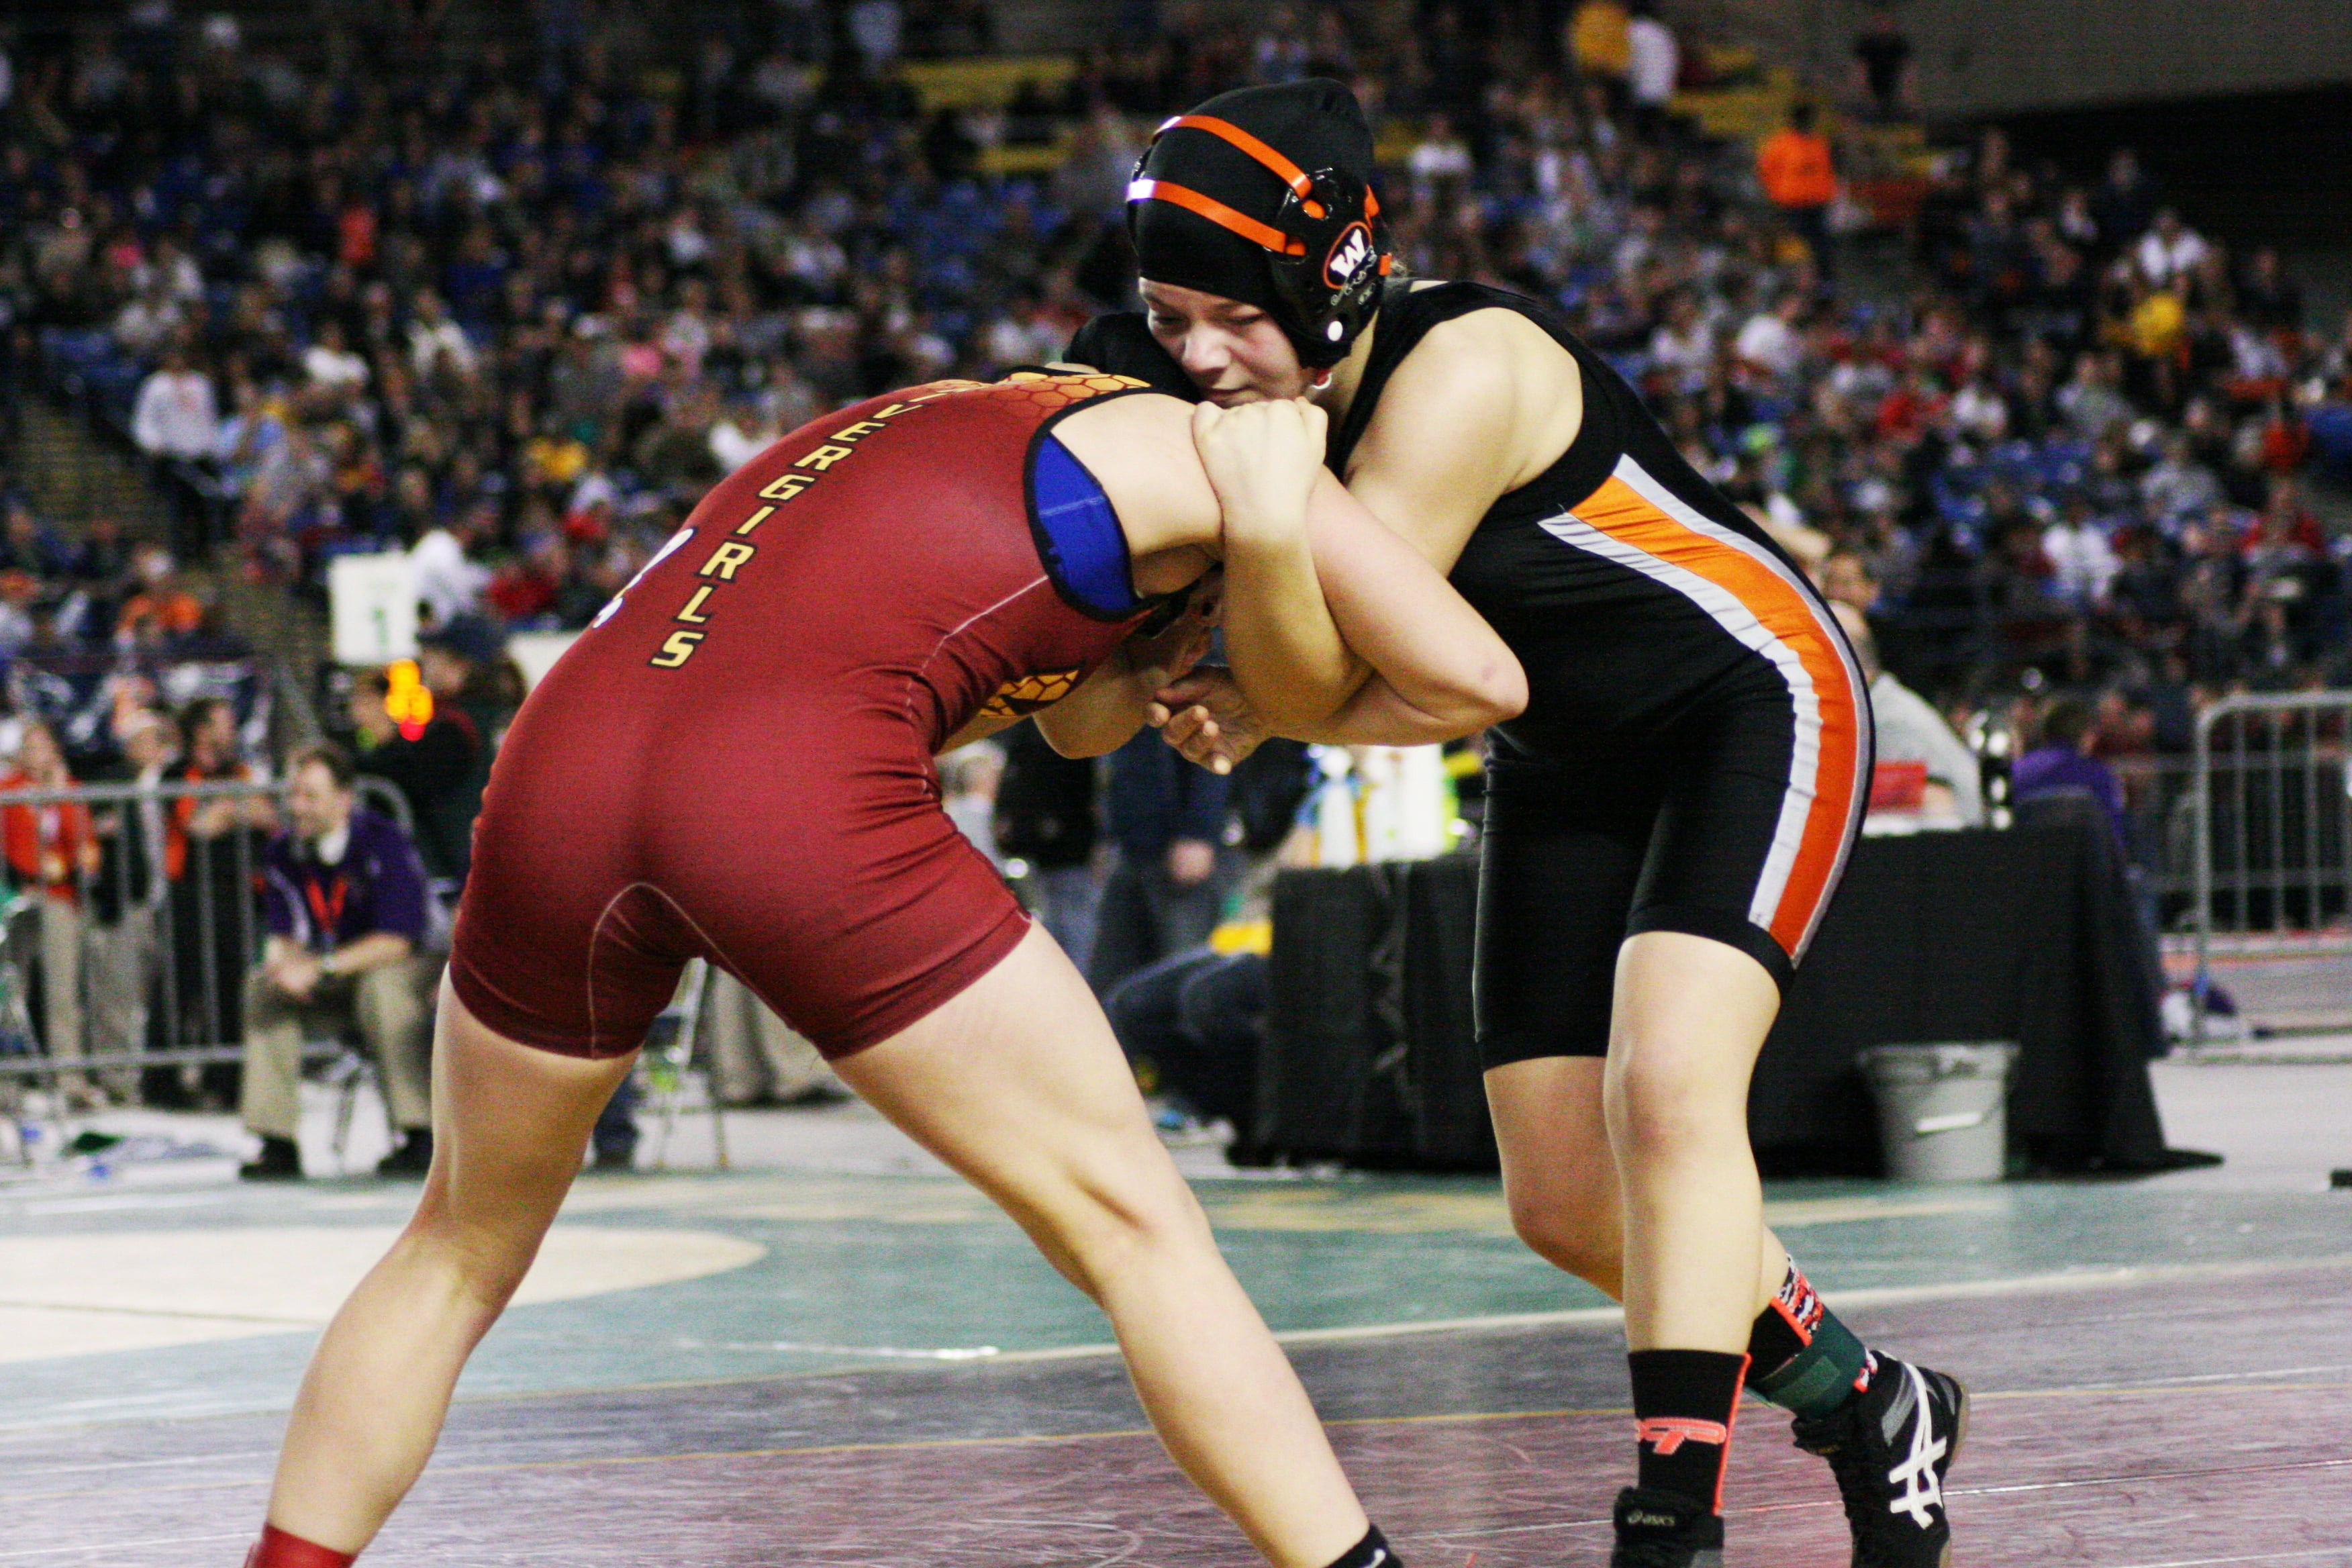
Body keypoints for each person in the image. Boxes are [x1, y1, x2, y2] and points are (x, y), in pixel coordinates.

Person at [237, 369, 1525, 1568]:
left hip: (561, 763)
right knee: (1136, 1228)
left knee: (457, 1247)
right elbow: (1472, 675)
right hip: (780, 796)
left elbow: (1071, 712)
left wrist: (1157, 653)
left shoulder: (904, 429)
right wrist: (1265, 649)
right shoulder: (1215, 447)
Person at [1073, 80, 1965, 1567]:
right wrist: (1238, 672)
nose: (1201, 358)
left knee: (1670, 1095)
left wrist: (1251, 673)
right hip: (1561, 748)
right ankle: (1872, 1398)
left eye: (1233, 316)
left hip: (1749, 703)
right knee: (1561, 1198)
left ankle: (1670, 1526)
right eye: (1169, 319)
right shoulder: (1259, 401)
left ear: (1333, 282)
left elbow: (1327, 668)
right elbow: (1360, 681)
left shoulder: (1464, 369)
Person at [238, 743, 436, 1181]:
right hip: (333, 973)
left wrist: (320, 968)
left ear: (344, 799)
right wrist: (281, 966)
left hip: (402, 969)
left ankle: (419, 1132)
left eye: (310, 796)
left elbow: (397, 941)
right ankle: (276, 1141)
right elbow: (282, 931)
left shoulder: (383, 841)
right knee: (263, 989)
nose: (297, 807)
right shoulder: (282, 852)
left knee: (382, 987)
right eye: (293, 795)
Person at [0, 722, 99, 1106]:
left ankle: (70, 1080)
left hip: (59, 898)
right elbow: (11, 844)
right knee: (12, 988)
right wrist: (26, 872)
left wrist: (61, 798)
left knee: (63, 991)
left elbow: (85, 853)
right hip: (16, 895)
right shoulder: (8, 790)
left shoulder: (69, 792)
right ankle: (7, 1083)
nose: (38, 754)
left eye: (45, 745)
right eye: (31, 746)